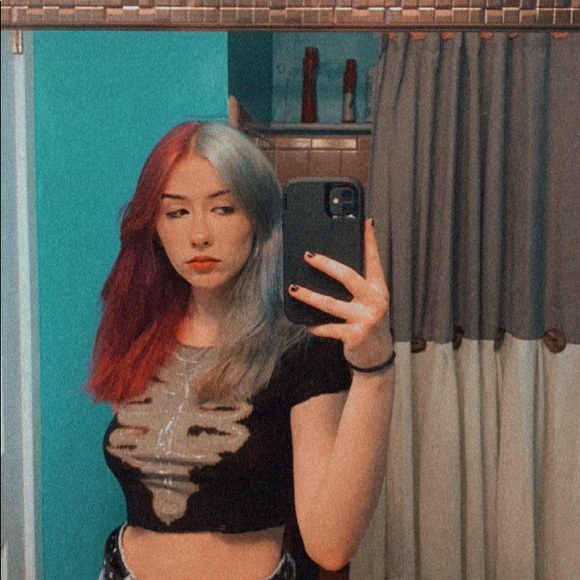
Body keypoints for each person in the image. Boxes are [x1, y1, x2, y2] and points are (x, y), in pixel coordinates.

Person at [88, 121, 395, 580]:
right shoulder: (140, 333)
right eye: (176, 212)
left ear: (259, 218)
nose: (199, 235)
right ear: (154, 227)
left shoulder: (300, 347)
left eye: (224, 208)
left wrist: (375, 370)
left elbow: (331, 547)